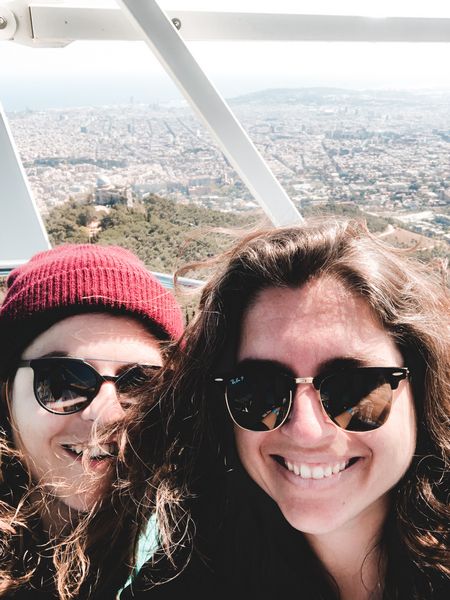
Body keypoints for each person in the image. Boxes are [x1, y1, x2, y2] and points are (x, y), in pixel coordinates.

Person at [122, 219, 449, 600]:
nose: (306, 431)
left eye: (353, 389)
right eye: (260, 391)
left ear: (422, 388)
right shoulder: (177, 586)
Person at [0, 244, 183, 599]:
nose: (105, 414)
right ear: (7, 392)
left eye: (141, 383)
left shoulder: (198, 541)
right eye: (63, 380)